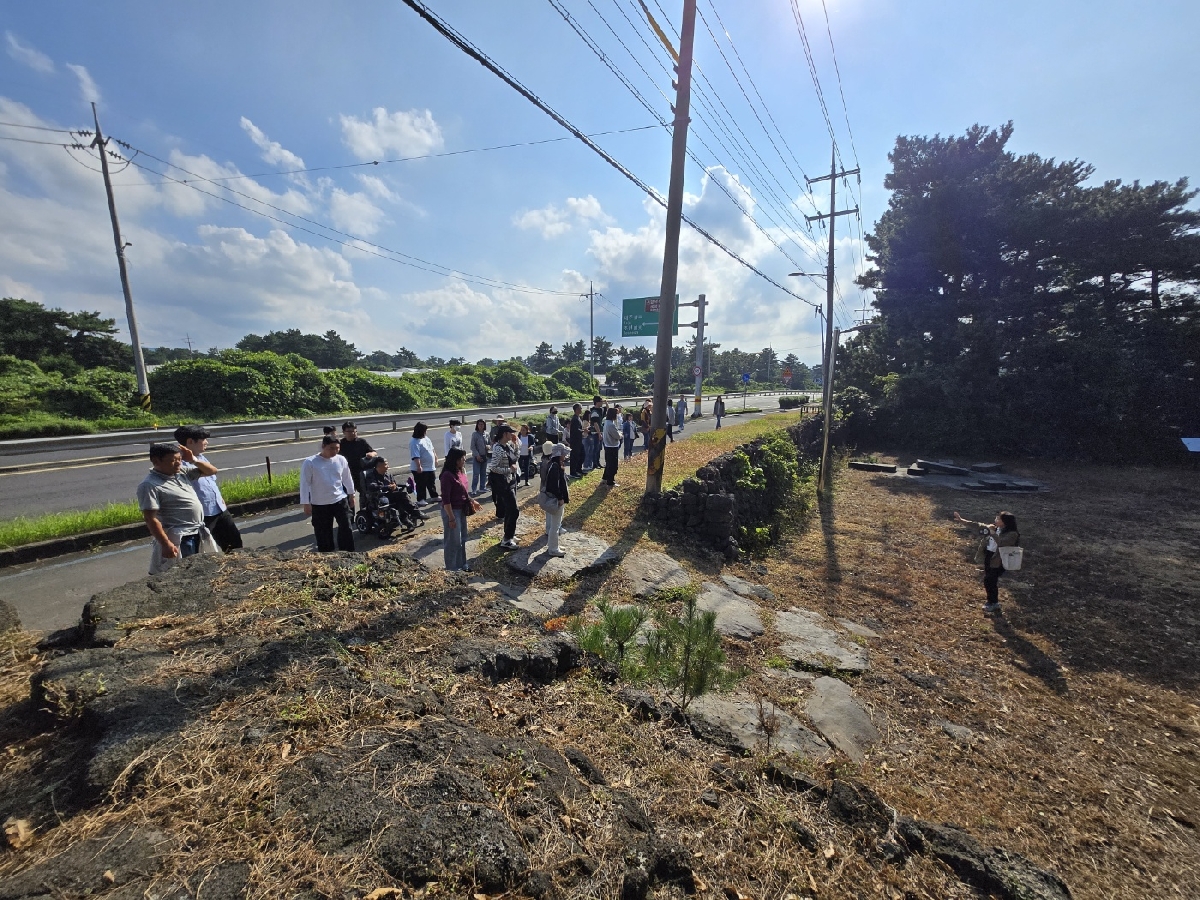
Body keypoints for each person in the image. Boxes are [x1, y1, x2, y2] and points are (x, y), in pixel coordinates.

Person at [137, 442, 218, 575]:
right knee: (183, 573)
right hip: (180, 538)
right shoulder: (149, 485)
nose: (178, 463)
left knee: (202, 570)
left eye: (180, 459)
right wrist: (165, 544)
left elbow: (212, 471)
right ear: (156, 461)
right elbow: (151, 518)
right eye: (173, 460)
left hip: (197, 532)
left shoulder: (181, 473)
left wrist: (193, 460)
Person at [173, 425, 242, 552]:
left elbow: (211, 479)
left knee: (234, 543)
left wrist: (220, 500)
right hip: (202, 514)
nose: (206, 442)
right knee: (200, 549)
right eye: (203, 439)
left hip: (218, 509)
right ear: (190, 441)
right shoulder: (178, 464)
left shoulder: (200, 457)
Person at [953, 510, 1021, 614]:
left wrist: (992, 532)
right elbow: (978, 525)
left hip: (1000, 559)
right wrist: (962, 520)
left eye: (998, 519)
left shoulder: (1012, 534)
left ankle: (993, 602)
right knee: (990, 580)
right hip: (989, 556)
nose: (996, 520)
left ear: (1005, 522)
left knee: (989, 579)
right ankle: (993, 602)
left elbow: (1001, 543)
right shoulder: (994, 527)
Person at [300, 435, 356, 553]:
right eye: (331, 448)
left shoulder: (341, 459)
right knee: (323, 532)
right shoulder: (310, 463)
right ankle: (327, 554)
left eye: (337, 448)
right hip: (320, 503)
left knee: (346, 527)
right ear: (323, 446)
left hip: (340, 499)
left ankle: (347, 552)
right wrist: (306, 503)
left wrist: (351, 494)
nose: (334, 452)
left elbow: (347, 477)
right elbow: (304, 483)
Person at [439, 448, 477, 572]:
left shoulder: (460, 471)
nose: (464, 460)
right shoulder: (447, 475)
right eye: (462, 458)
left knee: (462, 538)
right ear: (455, 460)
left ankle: (462, 564)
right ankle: (452, 568)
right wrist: (451, 518)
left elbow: (464, 491)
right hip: (451, 510)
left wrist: (471, 500)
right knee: (452, 541)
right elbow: (446, 499)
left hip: (461, 509)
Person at [363, 457, 424, 530]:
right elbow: (372, 486)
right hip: (378, 496)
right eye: (385, 465)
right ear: (379, 466)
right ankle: (413, 514)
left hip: (390, 494)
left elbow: (394, 484)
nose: (388, 466)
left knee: (403, 496)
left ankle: (408, 517)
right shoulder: (371, 475)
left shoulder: (388, 475)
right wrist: (387, 487)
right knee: (388, 501)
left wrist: (396, 487)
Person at [488, 425, 521, 549]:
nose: (512, 435)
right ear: (504, 434)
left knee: (510, 510)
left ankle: (509, 534)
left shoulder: (508, 446)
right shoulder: (498, 448)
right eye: (510, 433)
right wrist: (508, 470)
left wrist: (516, 445)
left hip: (511, 481)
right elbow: (493, 467)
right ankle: (506, 540)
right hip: (503, 484)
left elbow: (515, 458)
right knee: (514, 510)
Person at [540, 443, 570, 558]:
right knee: (555, 526)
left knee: (555, 525)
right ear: (559, 454)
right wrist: (560, 497)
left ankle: (554, 545)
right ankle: (553, 548)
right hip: (556, 500)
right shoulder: (555, 466)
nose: (565, 456)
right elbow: (553, 485)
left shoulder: (554, 464)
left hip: (557, 499)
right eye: (563, 453)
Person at [338, 421, 377, 502]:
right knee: (348, 496)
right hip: (346, 474)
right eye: (349, 431)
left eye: (354, 431)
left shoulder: (361, 442)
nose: (352, 433)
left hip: (360, 473)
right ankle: (350, 513)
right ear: (344, 432)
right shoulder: (341, 444)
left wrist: (371, 454)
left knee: (364, 494)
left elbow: (374, 452)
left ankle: (363, 512)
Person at [409, 422, 439, 505]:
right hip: (421, 467)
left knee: (431, 482)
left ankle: (434, 496)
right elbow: (415, 456)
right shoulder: (414, 442)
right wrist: (419, 466)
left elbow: (432, 449)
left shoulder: (426, 438)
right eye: (425, 430)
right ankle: (421, 499)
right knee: (421, 484)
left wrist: (435, 458)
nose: (426, 432)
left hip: (430, 466)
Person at [601, 407, 622, 487]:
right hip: (612, 446)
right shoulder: (611, 424)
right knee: (613, 465)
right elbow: (617, 436)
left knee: (609, 463)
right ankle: (610, 481)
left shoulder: (607, 422)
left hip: (608, 445)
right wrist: (620, 435)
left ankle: (605, 478)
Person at [469, 418, 489, 496]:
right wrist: (477, 455)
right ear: (477, 425)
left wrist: (489, 446)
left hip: (485, 456)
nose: (481, 426)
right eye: (479, 424)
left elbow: (490, 443)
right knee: (476, 474)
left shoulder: (486, 434)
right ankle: (474, 489)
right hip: (477, 456)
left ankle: (482, 487)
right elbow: (472, 446)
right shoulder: (475, 434)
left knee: (483, 473)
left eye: (482, 424)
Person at [568, 403, 585, 479]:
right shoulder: (574, 419)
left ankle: (578, 469)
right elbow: (575, 430)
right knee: (574, 456)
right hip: (575, 441)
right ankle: (573, 472)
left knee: (582, 454)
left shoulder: (578, 418)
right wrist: (583, 430)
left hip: (579, 440)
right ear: (577, 409)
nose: (581, 409)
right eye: (580, 408)